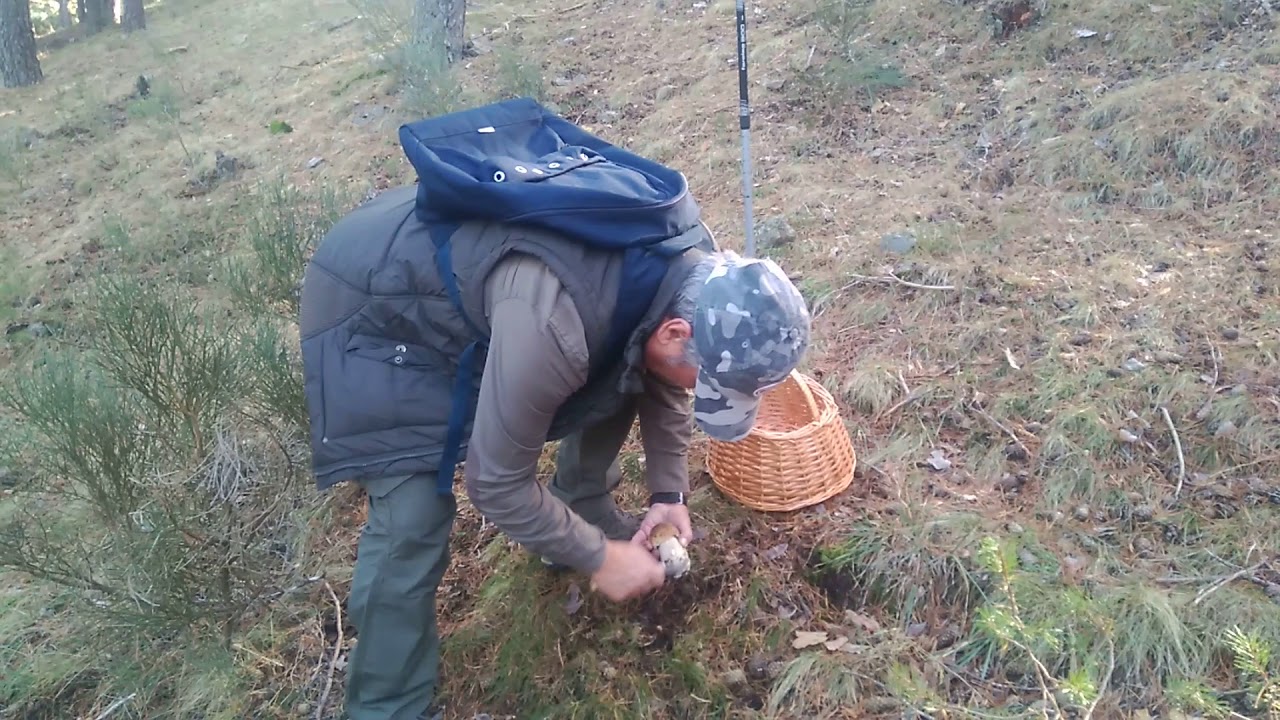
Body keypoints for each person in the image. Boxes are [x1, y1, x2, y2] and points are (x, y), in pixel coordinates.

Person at [297, 99, 811, 720]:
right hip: (376, 302)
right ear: (679, 332)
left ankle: (575, 510)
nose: (697, 391)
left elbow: (664, 378)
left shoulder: (698, 266)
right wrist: (599, 557)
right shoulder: (554, 326)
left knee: (628, 367)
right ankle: (385, 705)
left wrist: (667, 492)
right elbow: (494, 483)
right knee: (411, 513)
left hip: (491, 287)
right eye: (707, 380)